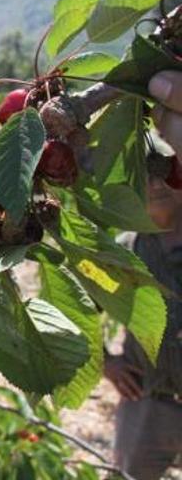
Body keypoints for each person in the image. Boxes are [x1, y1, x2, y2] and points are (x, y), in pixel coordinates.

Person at [100, 73, 182, 480]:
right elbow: (74, 310)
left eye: (165, 171)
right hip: (147, 404)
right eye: (143, 175)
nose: (156, 183)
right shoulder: (123, 250)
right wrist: (106, 363)